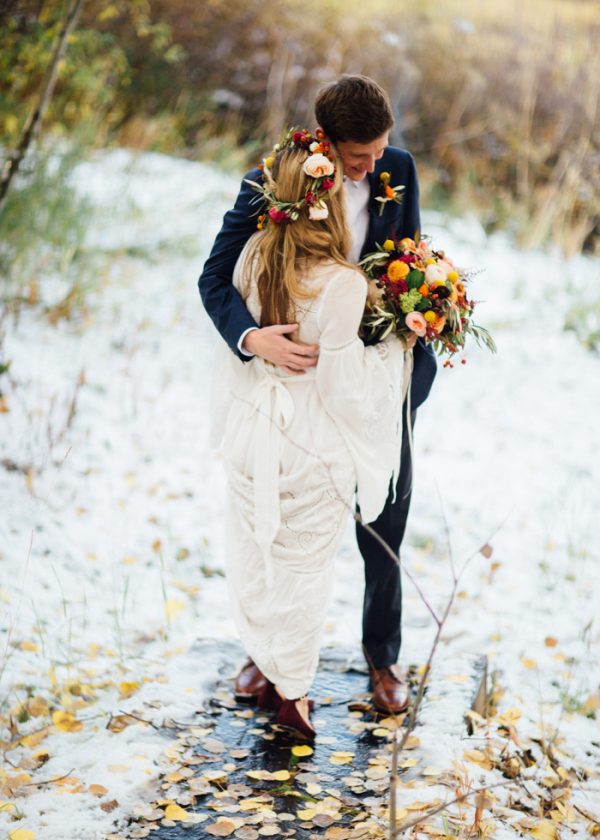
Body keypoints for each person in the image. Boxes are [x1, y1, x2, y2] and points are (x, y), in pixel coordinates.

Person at [199, 75, 437, 716]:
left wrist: (425, 311)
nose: (371, 167)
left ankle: (382, 657)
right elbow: (214, 276)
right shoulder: (274, 178)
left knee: (385, 518)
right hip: (298, 381)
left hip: (378, 376)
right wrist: (252, 338)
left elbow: (408, 256)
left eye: (379, 152)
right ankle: (268, 653)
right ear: (325, 143)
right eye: (358, 157)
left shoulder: (399, 169)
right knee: (277, 520)